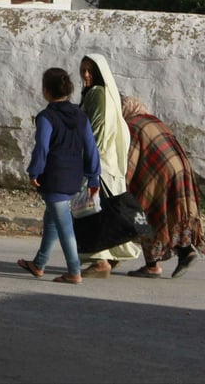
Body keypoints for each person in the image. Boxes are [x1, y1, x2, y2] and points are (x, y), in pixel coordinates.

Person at [17, 67, 101, 285]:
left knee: (64, 225)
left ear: (46, 91)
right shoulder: (80, 115)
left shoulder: (46, 117)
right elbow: (91, 148)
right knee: (52, 218)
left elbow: (42, 148)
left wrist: (34, 171)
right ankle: (39, 263)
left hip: (54, 177)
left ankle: (74, 271)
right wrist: (93, 177)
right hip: (75, 177)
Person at [121, 95, 205, 278]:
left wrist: (121, 185)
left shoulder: (132, 126)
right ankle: (186, 252)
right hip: (180, 170)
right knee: (172, 215)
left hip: (160, 175)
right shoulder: (152, 120)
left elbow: (130, 160)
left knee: (144, 212)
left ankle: (152, 266)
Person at [78, 54, 142, 276]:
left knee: (93, 213)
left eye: (90, 71)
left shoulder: (97, 94)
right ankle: (112, 256)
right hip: (108, 165)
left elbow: (96, 131)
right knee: (109, 212)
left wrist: (86, 160)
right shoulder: (106, 95)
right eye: (83, 70)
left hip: (98, 165)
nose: (86, 75)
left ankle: (100, 261)